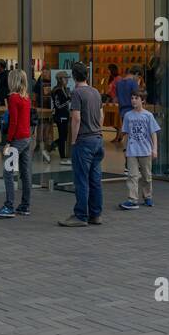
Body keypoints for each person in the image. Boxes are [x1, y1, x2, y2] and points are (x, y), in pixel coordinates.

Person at [59, 61, 104, 227]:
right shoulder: (95, 92)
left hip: (84, 140)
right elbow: (101, 116)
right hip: (97, 139)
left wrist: (73, 140)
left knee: (81, 179)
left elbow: (76, 118)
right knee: (95, 179)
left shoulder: (77, 93)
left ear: (73, 76)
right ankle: (96, 214)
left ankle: (80, 215)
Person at [0, 68, 33, 218]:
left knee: (8, 172)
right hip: (26, 138)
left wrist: (8, 142)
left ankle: (9, 205)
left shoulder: (13, 98)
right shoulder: (26, 97)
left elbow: (14, 122)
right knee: (25, 172)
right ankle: (25, 205)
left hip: (17, 140)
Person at [118, 92, 160, 210]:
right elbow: (125, 133)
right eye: (132, 98)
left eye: (136, 98)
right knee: (132, 176)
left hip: (145, 150)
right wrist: (125, 148)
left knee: (147, 176)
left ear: (142, 100)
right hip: (132, 151)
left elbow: (153, 133)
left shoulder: (148, 115)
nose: (133, 100)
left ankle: (147, 197)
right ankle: (132, 199)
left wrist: (154, 149)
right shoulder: (128, 115)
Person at [112, 66, 140, 145]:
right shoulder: (133, 83)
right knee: (134, 134)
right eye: (138, 76)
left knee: (128, 132)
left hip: (122, 111)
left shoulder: (119, 83)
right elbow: (137, 97)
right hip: (132, 110)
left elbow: (117, 97)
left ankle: (127, 149)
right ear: (137, 74)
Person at [49, 72, 72, 160]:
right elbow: (58, 105)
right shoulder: (57, 90)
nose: (67, 79)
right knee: (63, 137)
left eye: (67, 78)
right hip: (60, 116)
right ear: (59, 79)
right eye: (64, 78)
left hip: (64, 115)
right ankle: (62, 155)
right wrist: (68, 99)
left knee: (64, 136)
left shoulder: (63, 89)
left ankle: (52, 147)